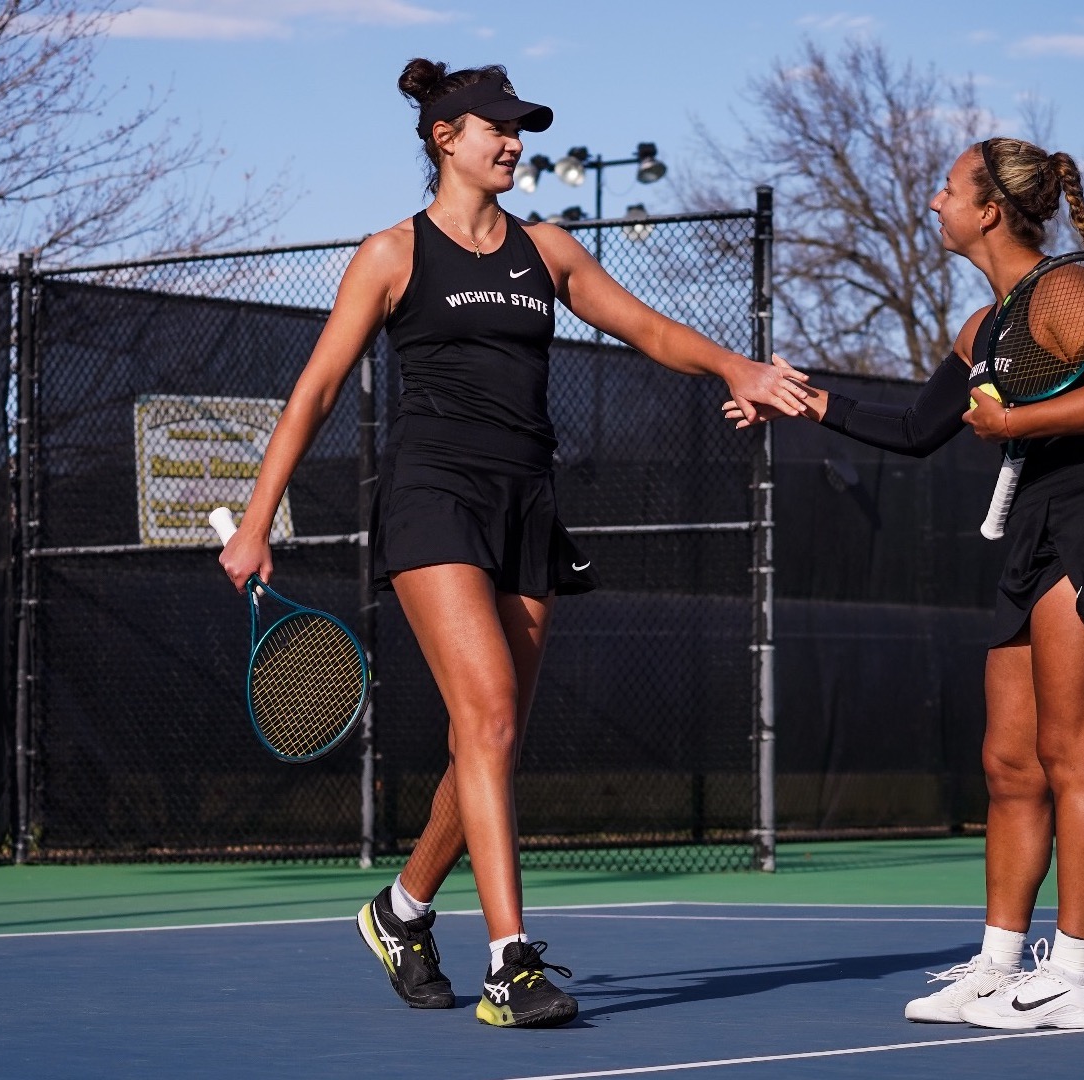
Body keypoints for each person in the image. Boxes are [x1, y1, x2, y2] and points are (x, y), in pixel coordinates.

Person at [217, 58, 811, 1029]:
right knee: (487, 713)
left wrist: (733, 367)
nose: (514, 141)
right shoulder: (390, 254)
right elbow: (318, 388)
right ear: (445, 136)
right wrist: (255, 519)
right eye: (497, 126)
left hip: (526, 499)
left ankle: (402, 910)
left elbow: (645, 328)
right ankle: (512, 964)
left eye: (520, 127)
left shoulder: (549, 250)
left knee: (490, 739)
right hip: (430, 496)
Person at [726, 137, 1084, 1031]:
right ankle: (996, 967)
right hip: (1037, 537)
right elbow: (916, 427)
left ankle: (1074, 977)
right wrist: (799, 398)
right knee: (1009, 765)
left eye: (945, 191)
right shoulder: (983, 329)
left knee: (1074, 760)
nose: (933, 205)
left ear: (989, 209)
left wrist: (1018, 418)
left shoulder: (1069, 289)